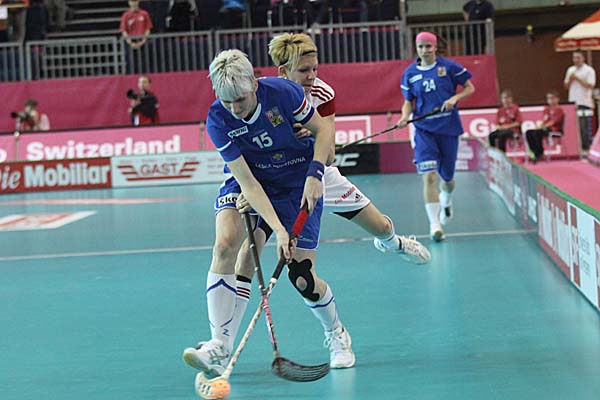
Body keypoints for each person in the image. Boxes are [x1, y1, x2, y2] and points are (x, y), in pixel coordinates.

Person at [228, 32, 431, 370]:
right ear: (283, 72)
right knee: (293, 273)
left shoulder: (322, 93)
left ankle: (393, 243)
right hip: (277, 184)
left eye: (315, 69)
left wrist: (312, 135)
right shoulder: (264, 96)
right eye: (304, 70)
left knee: (380, 226)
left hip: (318, 176)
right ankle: (332, 335)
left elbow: (330, 151)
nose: (312, 77)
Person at [182, 49, 354, 377]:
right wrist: (279, 228)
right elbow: (247, 183)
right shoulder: (218, 119)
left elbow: (323, 131)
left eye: (240, 100)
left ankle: (337, 333)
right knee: (226, 245)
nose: (235, 109)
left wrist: (315, 174)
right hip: (251, 179)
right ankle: (219, 345)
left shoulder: (284, 93)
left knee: (301, 276)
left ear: (254, 84)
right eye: (227, 101)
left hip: (294, 178)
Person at [399, 31, 475, 242]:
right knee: (429, 176)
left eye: (428, 46)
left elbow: (470, 87)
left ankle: (446, 199)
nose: (424, 50)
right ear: (416, 49)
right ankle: (435, 225)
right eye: (421, 47)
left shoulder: (449, 67)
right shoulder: (410, 74)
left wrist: (455, 98)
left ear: (434, 47)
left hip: (448, 128)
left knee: (447, 179)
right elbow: (408, 101)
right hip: (424, 130)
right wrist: (404, 117)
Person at [563, 50, 596, 151]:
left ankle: (587, 148)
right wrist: (571, 79)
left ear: (583, 58)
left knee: (584, 127)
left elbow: (591, 85)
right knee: (574, 127)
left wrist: (578, 78)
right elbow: (566, 86)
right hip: (573, 102)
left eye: (578, 57)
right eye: (574, 58)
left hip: (584, 102)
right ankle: (577, 148)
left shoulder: (589, 70)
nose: (576, 60)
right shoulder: (570, 70)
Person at [525, 91, 564, 163]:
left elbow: (553, 122)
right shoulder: (546, 109)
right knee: (529, 132)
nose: (551, 100)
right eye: (549, 98)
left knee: (538, 133)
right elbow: (544, 120)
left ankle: (540, 152)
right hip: (544, 128)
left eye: (552, 98)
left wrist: (542, 127)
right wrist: (539, 126)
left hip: (554, 129)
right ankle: (534, 152)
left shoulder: (559, 110)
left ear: (557, 99)